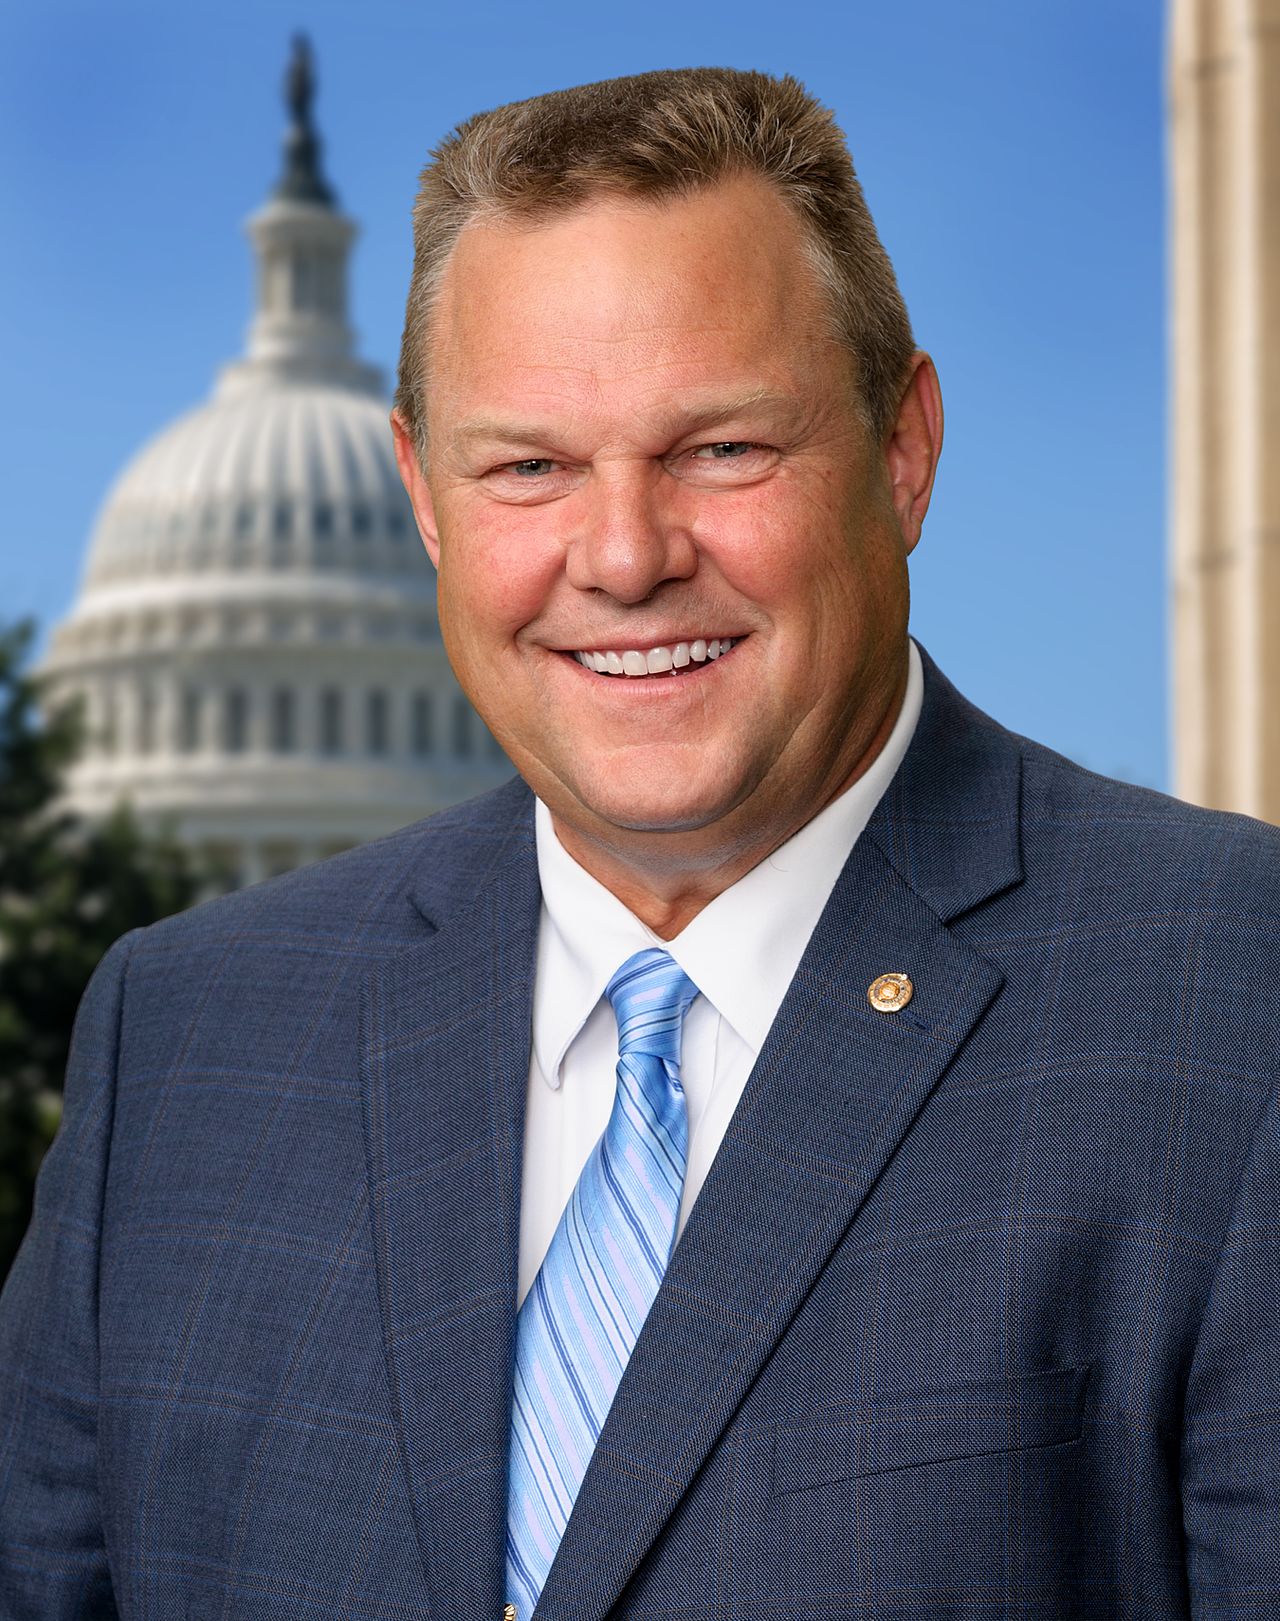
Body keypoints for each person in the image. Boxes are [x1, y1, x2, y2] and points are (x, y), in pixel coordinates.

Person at [2, 66, 1278, 1621]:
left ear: (904, 449)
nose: (622, 557)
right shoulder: (186, 1043)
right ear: (421, 497)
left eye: (723, 449)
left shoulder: (1235, 994)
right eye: (528, 465)